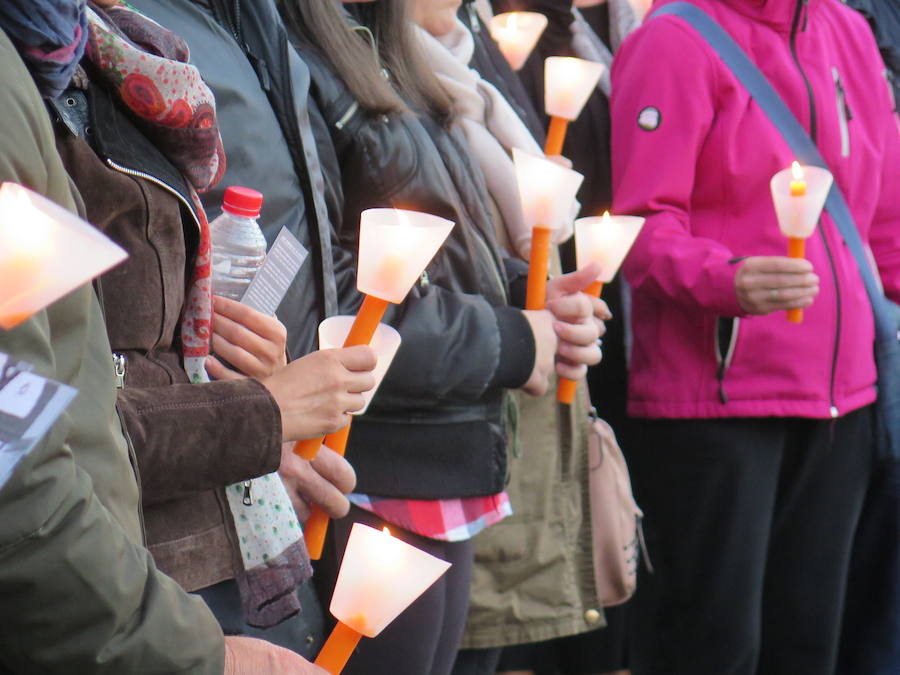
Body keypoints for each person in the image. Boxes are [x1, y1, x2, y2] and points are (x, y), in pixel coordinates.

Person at [281, 1, 603, 673]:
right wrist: (515, 337)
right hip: (376, 463)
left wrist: (529, 293)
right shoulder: (307, 60)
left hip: (444, 447)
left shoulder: (399, 60)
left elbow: (448, 249)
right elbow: (331, 293)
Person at [0, 6, 324, 671]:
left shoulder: (72, 58)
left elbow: (65, 379)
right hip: (101, 604)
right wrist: (253, 418)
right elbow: (17, 455)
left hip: (128, 578)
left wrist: (255, 421)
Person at [610, 0, 900, 673]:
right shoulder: (674, 39)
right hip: (714, 407)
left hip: (841, 403)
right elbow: (639, 225)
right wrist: (727, 279)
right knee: (711, 649)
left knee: (808, 648)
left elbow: (883, 220)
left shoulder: (849, 30)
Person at [406, 3, 614, 675]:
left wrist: (545, 306)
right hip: (419, 456)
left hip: (498, 442)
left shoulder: (474, 73)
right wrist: (518, 330)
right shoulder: (375, 82)